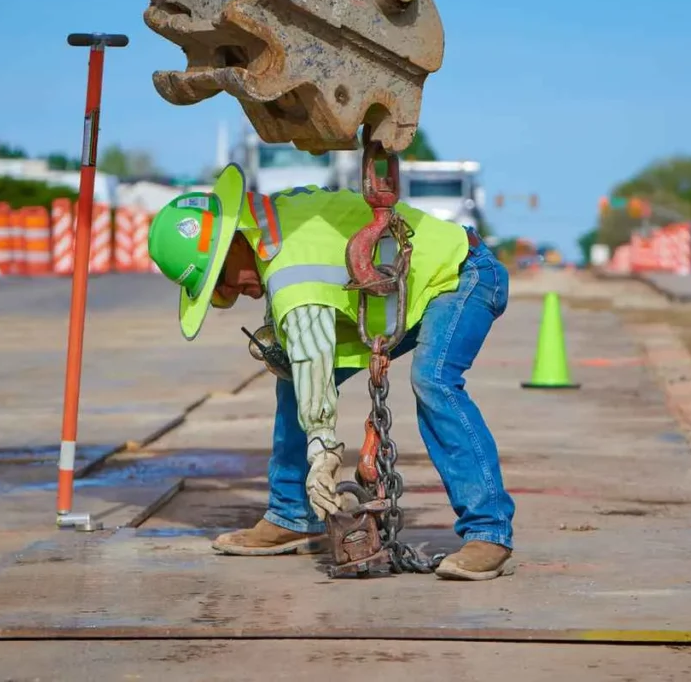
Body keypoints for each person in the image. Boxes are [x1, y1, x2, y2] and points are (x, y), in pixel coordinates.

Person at [147, 164, 515, 580]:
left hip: (463, 274)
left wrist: (323, 454)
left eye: (221, 280)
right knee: (293, 384)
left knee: (434, 379)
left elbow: (312, 355)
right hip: (402, 295)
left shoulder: (291, 274)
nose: (229, 294)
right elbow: (305, 361)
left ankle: (488, 531)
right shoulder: (273, 219)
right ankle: (290, 517)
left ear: (233, 243)